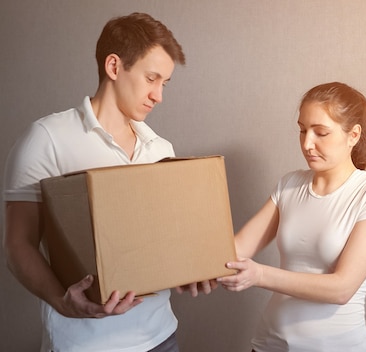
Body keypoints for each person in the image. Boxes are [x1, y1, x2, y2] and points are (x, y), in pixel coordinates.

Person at [3, 12, 215, 352]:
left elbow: (164, 245)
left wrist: (192, 269)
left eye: (165, 83)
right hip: (83, 344)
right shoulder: (45, 139)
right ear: (114, 67)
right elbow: (18, 245)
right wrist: (62, 301)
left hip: (161, 338)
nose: (158, 95)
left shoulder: (161, 149)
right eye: (151, 79)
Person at [218, 82, 366, 351]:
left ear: (353, 135)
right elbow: (234, 251)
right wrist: (190, 270)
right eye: (302, 130)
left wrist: (259, 275)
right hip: (270, 343)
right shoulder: (290, 185)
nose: (307, 143)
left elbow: (341, 289)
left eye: (321, 132)